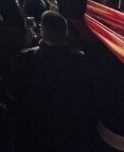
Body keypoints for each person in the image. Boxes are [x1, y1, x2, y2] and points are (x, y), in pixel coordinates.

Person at [11, 11, 93, 150]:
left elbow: (17, 92)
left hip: (36, 131)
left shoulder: (26, 59)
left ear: (42, 31)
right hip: (69, 131)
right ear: (66, 33)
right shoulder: (81, 61)